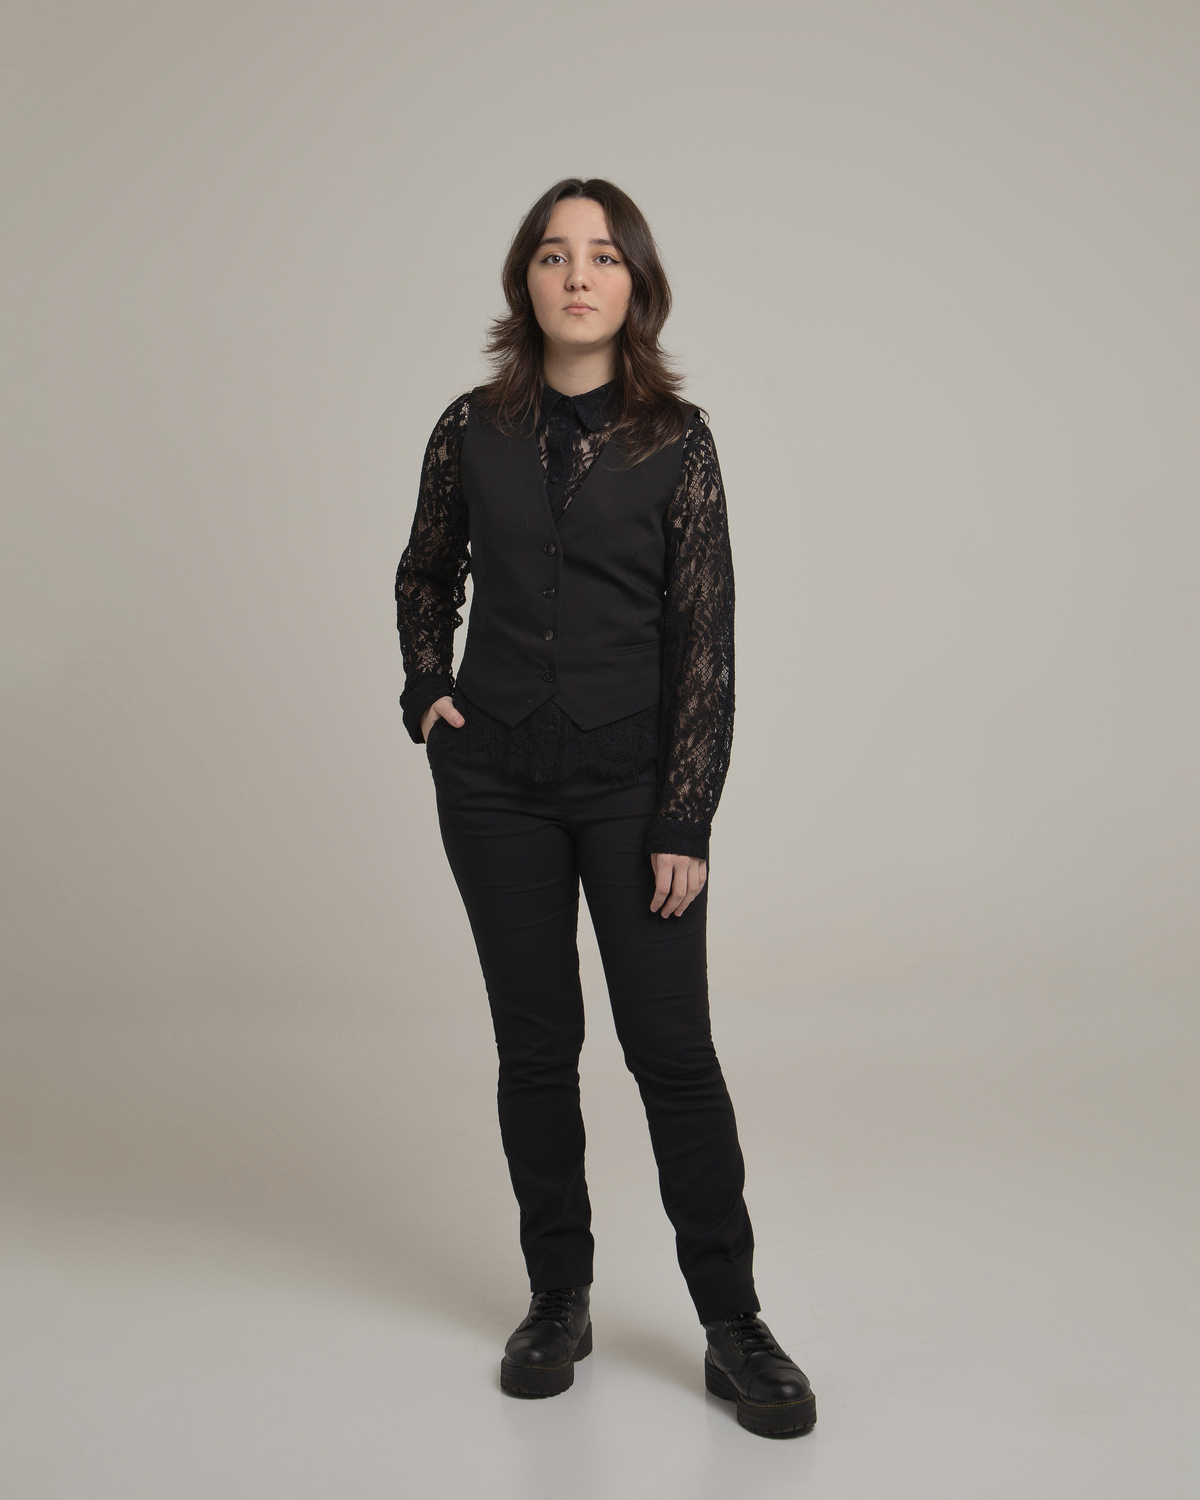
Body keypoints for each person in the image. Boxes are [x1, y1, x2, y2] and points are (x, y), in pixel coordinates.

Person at [394, 178, 815, 1439]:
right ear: (525, 281)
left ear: (636, 284)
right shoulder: (469, 428)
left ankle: (734, 1323)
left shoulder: (678, 443)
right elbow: (426, 571)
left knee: (672, 1055)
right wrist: (427, 691)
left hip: (635, 788)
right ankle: (557, 1298)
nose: (577, 275)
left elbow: (706, 643)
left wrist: (685, 817)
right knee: (537, 1049)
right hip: (495, 788)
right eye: (553, 255)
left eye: (603, 256)